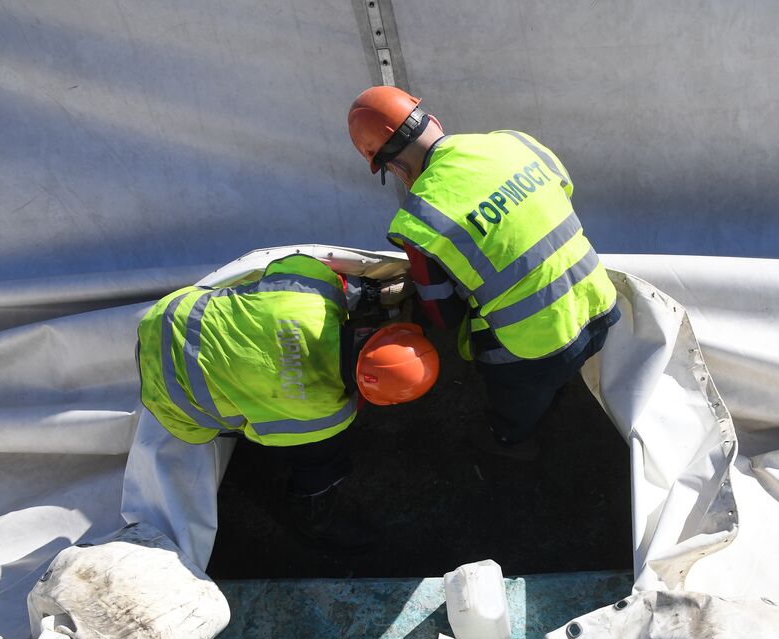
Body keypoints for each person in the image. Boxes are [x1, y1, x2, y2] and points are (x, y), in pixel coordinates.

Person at [347, 86, 618, 461]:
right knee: (555, 367)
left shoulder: (420, 216)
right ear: (434, 122)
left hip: (538, 347)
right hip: (600, 302)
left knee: (512, 389)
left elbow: (445, 315)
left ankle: (509, 438)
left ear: (395, 168)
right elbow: (562, 195)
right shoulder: (513, 142)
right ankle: (556, 391)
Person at [135, 251, 438, 548]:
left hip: (165, 319)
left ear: (375, 331)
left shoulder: (312, 294)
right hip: (169, 399)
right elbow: (256, 433)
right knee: (319, 454)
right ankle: (313, 514)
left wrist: (367, 292)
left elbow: (292, 262)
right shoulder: (327, 417)